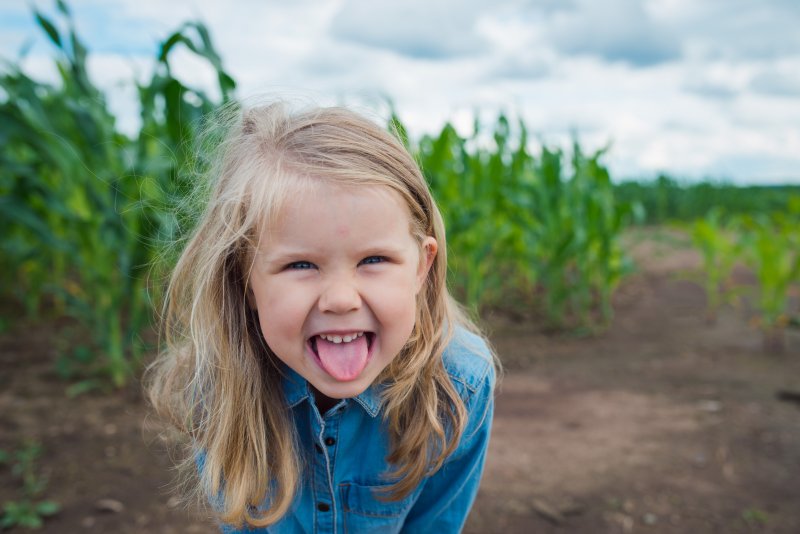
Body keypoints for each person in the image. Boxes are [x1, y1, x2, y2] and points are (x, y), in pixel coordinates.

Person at [145, 101, 498, 533]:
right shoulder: (217, 383)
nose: (340, 299)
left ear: (421, 267)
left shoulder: (461, 384)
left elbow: (435, 523)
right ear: (245, 279)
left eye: (373, 259)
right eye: (301, 265)